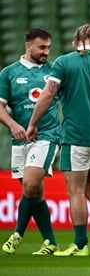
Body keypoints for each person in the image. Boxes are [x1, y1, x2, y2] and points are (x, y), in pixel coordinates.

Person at [26, 24, 90, 256]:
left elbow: (48, 94)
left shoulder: (63, 63)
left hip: (75, 139)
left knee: (76, 191)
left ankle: (80, 244)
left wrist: (33, 123)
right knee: (88, 187)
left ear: (75, 41)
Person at [0, 28, 60, 255]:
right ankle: (51, 242)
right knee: (35, 194)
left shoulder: (54, 71)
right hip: (20, 139)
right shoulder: (9, 73)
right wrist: (13, 125)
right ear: (28, 46)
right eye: (42, 47)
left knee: (31, 185)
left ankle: (17, 234)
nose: (46, 52)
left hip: (47, 134)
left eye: (48, 48)